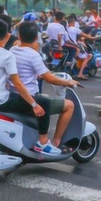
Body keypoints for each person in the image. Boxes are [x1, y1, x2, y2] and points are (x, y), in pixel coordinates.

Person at [0, 20, 59, 155]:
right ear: (7, 36)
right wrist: (34, 104)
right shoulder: (7, 55)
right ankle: (43, 142)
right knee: (44, 103)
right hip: (1, 101)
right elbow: (18, 84)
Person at [9, 21, 80, 150]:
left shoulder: (12, 50)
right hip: (30, 97)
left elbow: (18, 46)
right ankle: (55, 142)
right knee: (69, 105)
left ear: (19, 36)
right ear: (37, 37)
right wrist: (69, 82)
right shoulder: (33, 56)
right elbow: (50, 79)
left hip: (14, 96)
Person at [65, 15, 95, 80]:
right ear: (73, 23)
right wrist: (93, 37)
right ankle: (80, 74)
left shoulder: (65, 29)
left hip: (66, 47)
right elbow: (86, 36)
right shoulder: (75, 29)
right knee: (88, 56)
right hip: (74, 48)